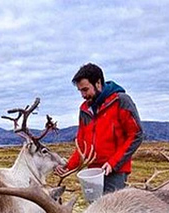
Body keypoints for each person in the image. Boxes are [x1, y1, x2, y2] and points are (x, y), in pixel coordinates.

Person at [54, 63, 144, 194]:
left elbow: (136, 134)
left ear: (98, 83)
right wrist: (68, 167)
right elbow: (82, 145)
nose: (83, 95)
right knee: (94, 208)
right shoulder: (85, 109)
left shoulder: (121, 101)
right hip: (93, 172)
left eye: (85, 89)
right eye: (80, 91)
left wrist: (113, 163)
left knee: (112, 211)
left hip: (115, 172)